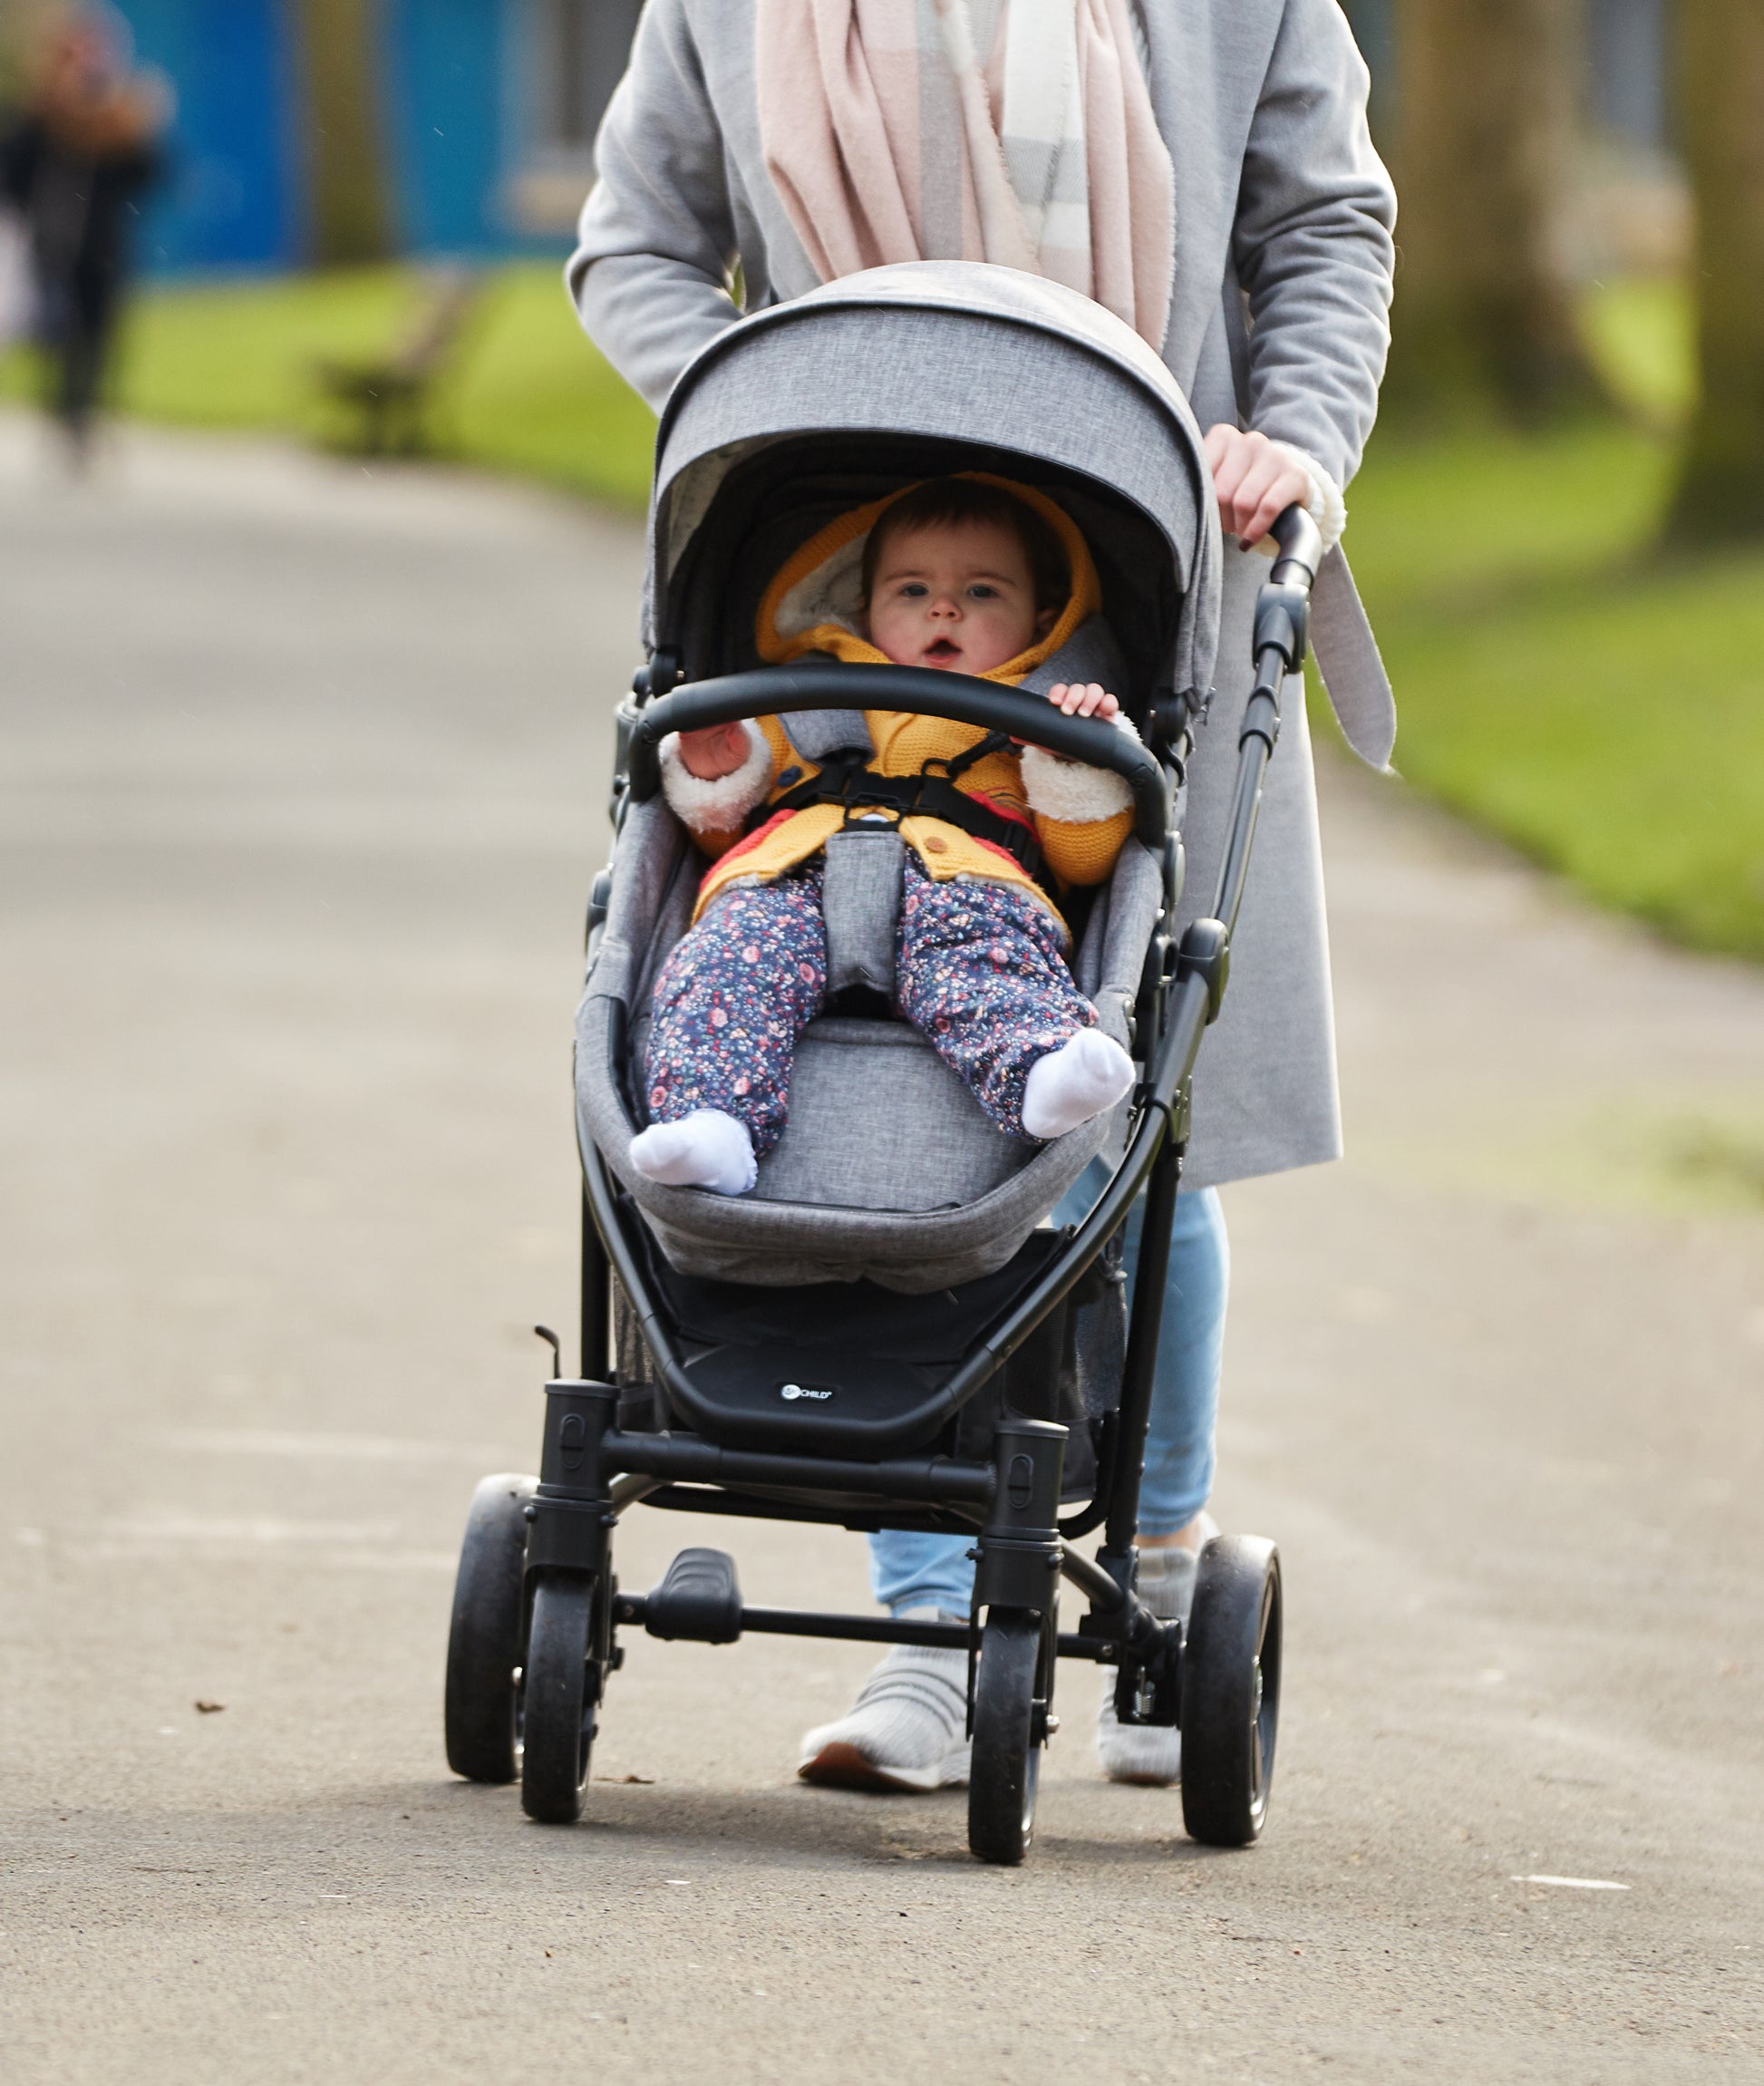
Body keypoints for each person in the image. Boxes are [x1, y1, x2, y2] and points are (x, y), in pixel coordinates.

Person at [569, 0, 1397, 1791]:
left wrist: (1296, 442)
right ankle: (937, 1625)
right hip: (848, 568)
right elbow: (632, 246)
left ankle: (1154, 1573)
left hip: (1146, 567)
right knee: (862, 1114)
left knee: (1133, 1100)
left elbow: (1323, 218)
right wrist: (772, 402)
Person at [632, 475, 1139, 1198]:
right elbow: (723, 834)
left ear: (1043, 619)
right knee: (725, 958)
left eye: (984, 591)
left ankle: (1038, 1068)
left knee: (986, 964)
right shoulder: (810, 696)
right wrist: (718, 765)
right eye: (910, 590)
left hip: (963, 887)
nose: (944, 606)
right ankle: (713, 1121)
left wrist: (1072, 755)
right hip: (797, 880)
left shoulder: (1042, 717)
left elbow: (1085, 862)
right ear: (863, 609)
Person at [0, 8, 167, 466]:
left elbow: (148, 175)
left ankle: (85, 415)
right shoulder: (38, 114)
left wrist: (135, 131)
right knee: (56, 327)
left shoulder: (117, 113)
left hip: (103, 243)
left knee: (99, 331)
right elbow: (13, 174)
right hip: (52, 243)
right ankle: (63, 409)